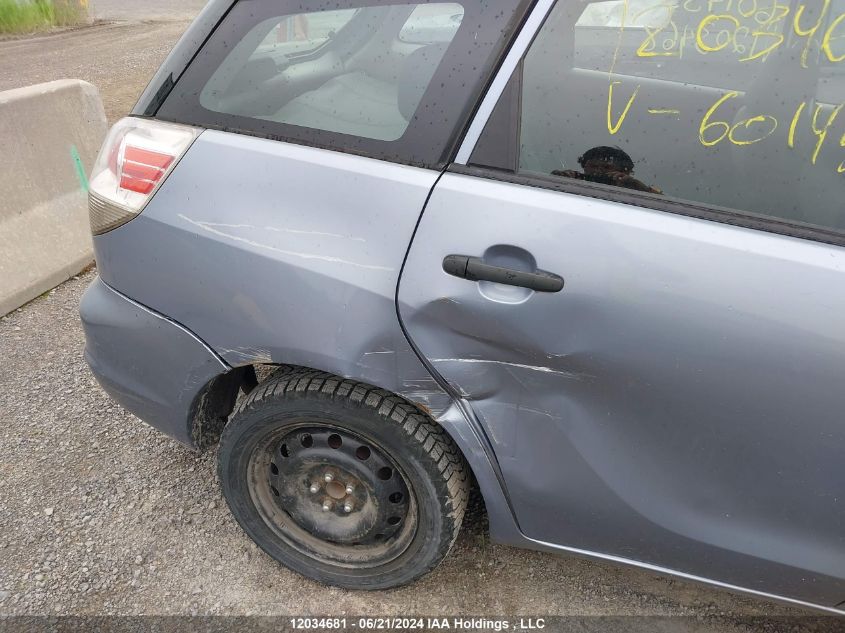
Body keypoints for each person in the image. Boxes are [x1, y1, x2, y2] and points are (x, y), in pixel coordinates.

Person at [552, 146, 662, 194]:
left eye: (606, 167)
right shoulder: (573, 181)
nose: (598, 171)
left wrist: (637, 187)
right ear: (584, 167)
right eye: (593, 166)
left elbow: (661, 204)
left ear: (625, 172)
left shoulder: (635, 189)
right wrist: (561, 180)